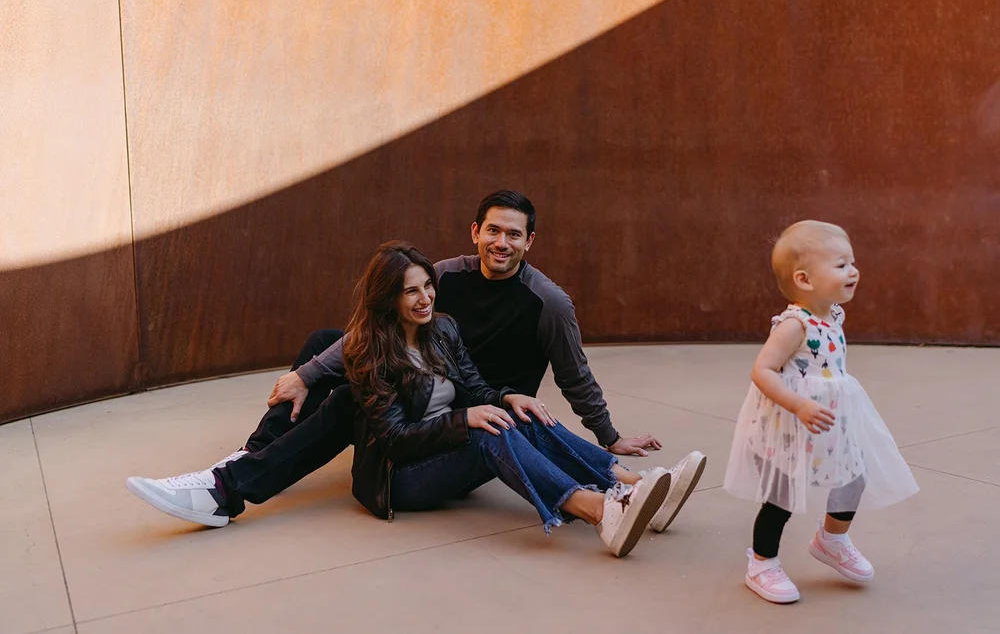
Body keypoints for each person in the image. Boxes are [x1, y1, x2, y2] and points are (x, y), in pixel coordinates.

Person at [126, 190, 706, 533]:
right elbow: (393, 423)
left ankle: (630, 487)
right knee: (333, 365)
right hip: (409, 454)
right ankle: (243, 468)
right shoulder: (397, 328)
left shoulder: (483, 317)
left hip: (454, 417)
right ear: (475, 232)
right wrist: (304, 375)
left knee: (513, 412)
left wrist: (582, 424)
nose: (427, 296)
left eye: (514, 235)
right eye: (413, 291)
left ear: (530, 241)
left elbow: (567, 376)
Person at [723, 220, 918, 604]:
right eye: (841, 265)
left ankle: (832, 539)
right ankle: (762, 563)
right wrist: (798, 404)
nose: (853, 271)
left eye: (852, 262)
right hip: (788, 424)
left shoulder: (833, 316)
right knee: (780, 497)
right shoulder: (794, 325)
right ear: (804, 279)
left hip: (829, 420)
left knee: (853, 477)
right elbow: (762, 370)